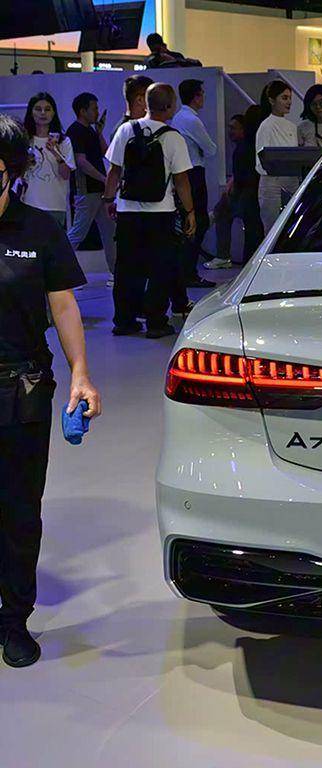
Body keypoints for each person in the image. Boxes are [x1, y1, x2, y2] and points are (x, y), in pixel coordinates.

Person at [0, 114, 102, 667]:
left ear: (11, 173)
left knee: (19, 511)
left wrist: (80, 372)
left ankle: (13, 618)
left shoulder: (39, 230)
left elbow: (63, 306)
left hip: (22, 387)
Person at [103, 83, 196, 338]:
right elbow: (181, 180)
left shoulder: (125, 130)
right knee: (159, 268)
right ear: (169, 106)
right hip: (161, 212)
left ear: (146, 102)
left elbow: (114, 171)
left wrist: (109, 199)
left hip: (128, 211)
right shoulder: (173, 137)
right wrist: (190, 212)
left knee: (126, 267)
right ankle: (156, 322)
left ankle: (124, 320)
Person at [169, 79, 217, 289]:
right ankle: (188, 272)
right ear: (196, 96)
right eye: (202, 93)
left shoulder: (179, 118)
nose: (203, 97)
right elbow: (211, 148)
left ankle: (185, 270)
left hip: (184, 173)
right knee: (198, 222)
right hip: (194, 173)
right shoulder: (191, 120)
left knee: (190, 223)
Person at [66, 92, 116, 281]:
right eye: (94, 108)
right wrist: (104, 179)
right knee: (78, 233)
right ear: (82, 110)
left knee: (110, 233)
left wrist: (99, 132)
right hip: (87, 191)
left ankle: (116, 273)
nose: (97, 112)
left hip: (100, 191)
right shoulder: (75, 131)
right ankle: (58, 270)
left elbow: (106, 153)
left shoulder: (90, 131)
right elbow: (81, 162)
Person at [207, 113, 262, 269]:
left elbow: (241, 179)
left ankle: (222, 255)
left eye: (233, 128)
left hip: (246, 195)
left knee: (222, 213)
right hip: (249, 193)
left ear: (243, 129)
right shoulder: (248, 148)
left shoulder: (242, 150)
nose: (230, 131)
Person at [19, 93, 74, 227]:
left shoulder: (64, 141)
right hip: (29, 204)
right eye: (38, 109)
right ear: (31, 112)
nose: (43, 113)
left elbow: (66, 175)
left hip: (56, 205)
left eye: (47, 109)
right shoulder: (24, 140)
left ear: (53, 113)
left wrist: (56, 153)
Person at [255, 80, 298, 234]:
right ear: (272, 100)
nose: (289, 102)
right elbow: (261, 159)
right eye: (284, 98)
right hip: (271, 183)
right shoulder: (266, 126)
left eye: (290, 98)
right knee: (272, 230)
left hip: (291, 181)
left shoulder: (292, 126)